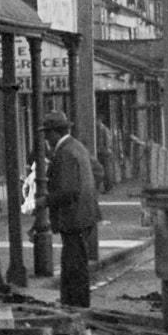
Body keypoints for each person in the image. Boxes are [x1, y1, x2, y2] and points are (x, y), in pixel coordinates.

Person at [41, 113, 102, 311]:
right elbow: (96, 172)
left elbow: (68, 190)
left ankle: (75, 307)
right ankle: (75, 305)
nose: (45, 139)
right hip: (84, 215)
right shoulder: (77, 147)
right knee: (75, 264)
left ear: (55, 133)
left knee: (73, 266)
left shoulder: (65, 153)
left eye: (47, 134)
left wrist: (45, 201)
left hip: (74, 218)